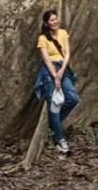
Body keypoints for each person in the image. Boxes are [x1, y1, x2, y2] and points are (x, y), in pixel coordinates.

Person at [34, 9, 79, 154]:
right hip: (49, 72)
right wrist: (55, 76)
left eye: (55, 19)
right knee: (55, 104)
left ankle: (54, 124)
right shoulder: (43, 38)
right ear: (47, 23)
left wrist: (61, 71)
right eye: (51, 20)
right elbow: (46, 59)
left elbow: (67, 53)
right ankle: (60, 140)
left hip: (62, 68)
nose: (54, 22)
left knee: (73, 98)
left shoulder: (63, 33)